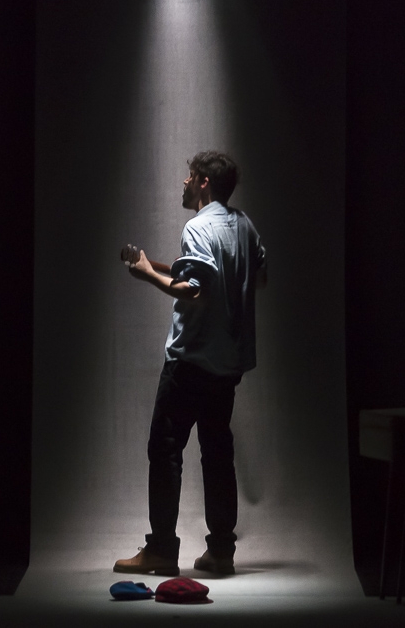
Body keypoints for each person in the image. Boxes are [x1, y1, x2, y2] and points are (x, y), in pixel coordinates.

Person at [114, 151, 266, 576]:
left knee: (165, 450)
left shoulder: (197, 227)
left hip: (191, 361)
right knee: (217, 452)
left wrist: (147, 275)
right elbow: (257, 277)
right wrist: (169, 268)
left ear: (203, 182)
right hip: (228, 364)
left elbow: (195, 290)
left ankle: (162, 550)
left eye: (189, 176)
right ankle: (221, 551)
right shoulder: (245, 226)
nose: (183, 182)